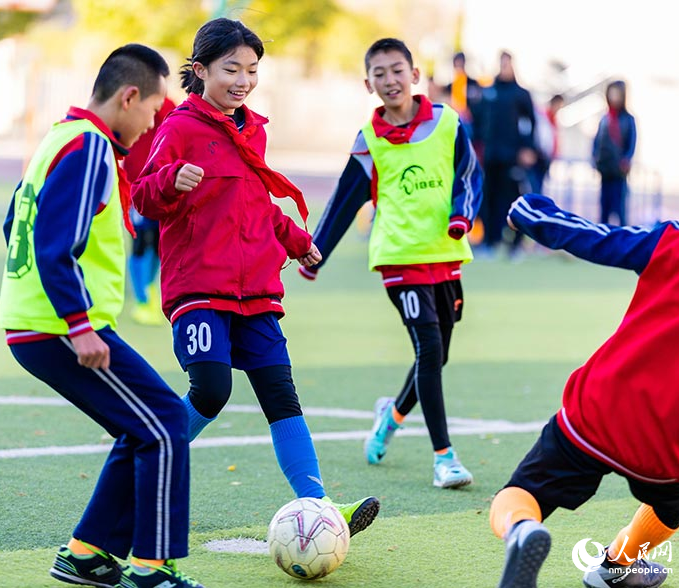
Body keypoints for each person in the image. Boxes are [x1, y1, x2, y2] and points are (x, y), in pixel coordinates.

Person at [131, 18, 379, 537]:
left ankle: (320, 505)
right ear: (200, 71)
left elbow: (254, 203)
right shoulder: (180, 128)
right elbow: (144, 198)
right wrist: (172, 180)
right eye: (231, 69)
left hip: (256, 291)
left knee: (281, 395)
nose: (243, 80)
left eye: (252, 69)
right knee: (212, 389)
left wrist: (296, 240)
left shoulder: (253, 129)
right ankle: (142, 474)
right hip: (200, 288)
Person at [489, 149, 679, 588]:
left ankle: (522, 530)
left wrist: (529, 213)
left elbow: (599, 238)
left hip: (597, 413)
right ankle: (617, 566)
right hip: (674, 450)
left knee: (522, 492)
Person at [0, 45, 204, 588]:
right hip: (59, 326)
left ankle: (88, 553)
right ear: (128, 96)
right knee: (164, 424)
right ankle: (151, 569)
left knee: (141, 425)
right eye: (153, 111)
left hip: (38, 322)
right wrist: (79, 323)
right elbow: (52, 246)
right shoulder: (90, 146)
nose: (152, 123)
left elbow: (12, 224)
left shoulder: (58, 138)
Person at [299, 38, 483, 489]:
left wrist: (461, 217)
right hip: (397, 258)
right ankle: (444, 458)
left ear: (415, 75)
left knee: (437, 356)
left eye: (397, 70)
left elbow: (469, 176)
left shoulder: (447, 123)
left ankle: (390, 418)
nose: (390, 80)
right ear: (368, 84)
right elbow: (345, 200)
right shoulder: (369, 141)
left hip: (445, 254)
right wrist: (316, 252)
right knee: (430, 350)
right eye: (379, 74)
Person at [475, 51, 536, 258]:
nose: (504, 68)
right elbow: (479, 121)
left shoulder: (521, 94)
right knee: (489, 198)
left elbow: (530, 124)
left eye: (507, 64)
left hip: (512, 156)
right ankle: (489, 241)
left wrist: (527, 149)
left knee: (514, 199)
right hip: (491, 156)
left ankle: (516, 245)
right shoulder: (489, 91)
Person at [125, 96, 176, 326]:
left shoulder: (169, 107)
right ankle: (142, 298)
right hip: (137, 185)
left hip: (161, 186)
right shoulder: (132, 103)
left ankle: (149, 289)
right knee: (140, 241)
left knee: (158, 243)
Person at [592, 80, 636, 225]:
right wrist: (595, 159)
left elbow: (631, 143)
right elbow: (597, 141)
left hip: (619, 172)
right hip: (605, 170)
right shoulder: (604, 119)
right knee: (604, 208)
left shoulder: (628, 119)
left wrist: (626, 160)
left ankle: (624, 243)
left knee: (620, 210)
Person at [444, 51, 484, 154]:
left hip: (469, 121)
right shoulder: (450, 86)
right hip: (454, 119)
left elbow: (478, 103)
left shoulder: (473, 83)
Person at [530, 94, 564, 195]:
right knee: (536, 185)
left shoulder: (553, 119)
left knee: (541, 184)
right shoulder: (543, 117)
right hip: (540, 156)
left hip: (546, 157)